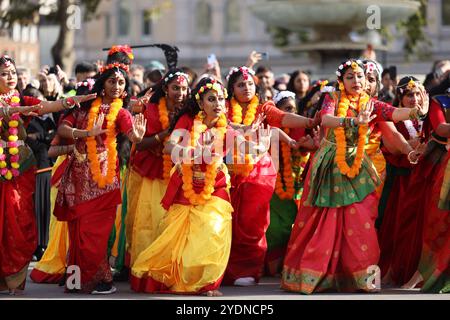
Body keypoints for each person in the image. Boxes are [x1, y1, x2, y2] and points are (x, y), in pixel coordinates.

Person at [281, 59, 428, 294]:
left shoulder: (371, 103)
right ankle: (317, 276)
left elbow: (392, 113)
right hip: (330, 166)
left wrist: (415, 111)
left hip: (360, 169)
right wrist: (352, 121)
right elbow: (327, 119)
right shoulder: (333, 99)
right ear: (341, 81)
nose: (357, 81)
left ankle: (364, 279)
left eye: (360, 77)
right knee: (323, 221)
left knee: (362, 222)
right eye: (350, 77)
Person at [131, 77, 269, 296]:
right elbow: (170, 148)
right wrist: (194, 153)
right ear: (201, 103)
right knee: (181, 237)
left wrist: (261, 146)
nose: (218, 104)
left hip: (216, 186)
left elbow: (247, 150)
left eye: (221, 99)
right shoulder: (188, 120)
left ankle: (206, 284)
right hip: (186, 185)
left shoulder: (226, 128)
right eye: (211, 99)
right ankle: (184, 278)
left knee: (214, 231)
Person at [0, 54, 95, 295]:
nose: (10, 77)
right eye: (4, 74)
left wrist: (72, 101)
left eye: (12, 73)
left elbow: (45, 106)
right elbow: (8, 111)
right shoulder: (17, 104)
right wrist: (19, 109)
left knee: (18, 221)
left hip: (20, 171)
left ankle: (15, 280)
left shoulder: (23, 98)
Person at [54, 61, 146, 295]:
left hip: (105, 179)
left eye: (121, 82)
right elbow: (63, 128)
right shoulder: (84, 107)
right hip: (78, 177)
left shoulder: (122, 112)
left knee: (97, 233)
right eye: (112, 81)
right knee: (78, 231)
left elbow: (130, 133)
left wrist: (136, 136)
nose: (116, 86)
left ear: (125, 89)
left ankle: (102, 280)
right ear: (102, 85)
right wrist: (85, 134)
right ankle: (75, 281)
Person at [222, 66, 319, 286]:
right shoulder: (224, 107)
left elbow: (283, 119)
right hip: (227, 172)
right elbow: (219, 126)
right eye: (240, 85)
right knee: (226, 222)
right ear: (231, 88)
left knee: (252, 223)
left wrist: (309, 122)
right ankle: (223, 269)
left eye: (249, 84)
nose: (246, 88)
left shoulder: (264, 108)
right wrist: (243, 127)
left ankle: (248, 269)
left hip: (258, 173)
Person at [125, 69, 190, 271]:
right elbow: (141, 144)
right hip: (150, 173)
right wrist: (165, 134)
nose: (180, 92)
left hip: (177, 173)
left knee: (171, 222)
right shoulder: (151, 110)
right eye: (175, 88)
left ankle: (169, 266)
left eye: (183, 88)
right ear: (165, 89)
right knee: (149, 220)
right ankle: (146, 266)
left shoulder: (188, 111)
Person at [377, 77, 429, 286]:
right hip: (401, 183)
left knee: (420, 229)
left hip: (424, 180)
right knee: (398, 228)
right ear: (400, 96)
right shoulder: (392, 117)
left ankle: (416, 272)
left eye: (417, 94)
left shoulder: (430, 116)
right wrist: (414, 145)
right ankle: (394, 271)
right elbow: (391, 145)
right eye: (409, 94)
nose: (414, 99)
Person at [265, 91, 318, 276]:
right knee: (274, 228)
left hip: (293, 185)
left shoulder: (299, 129)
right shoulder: (268, 125)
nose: (291, 113)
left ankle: (283, 267)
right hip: (270, 183)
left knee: (290, 225)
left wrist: (309, 143)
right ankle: (271, 268)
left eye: (293, 110)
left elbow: (307, 148)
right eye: (287, 109)